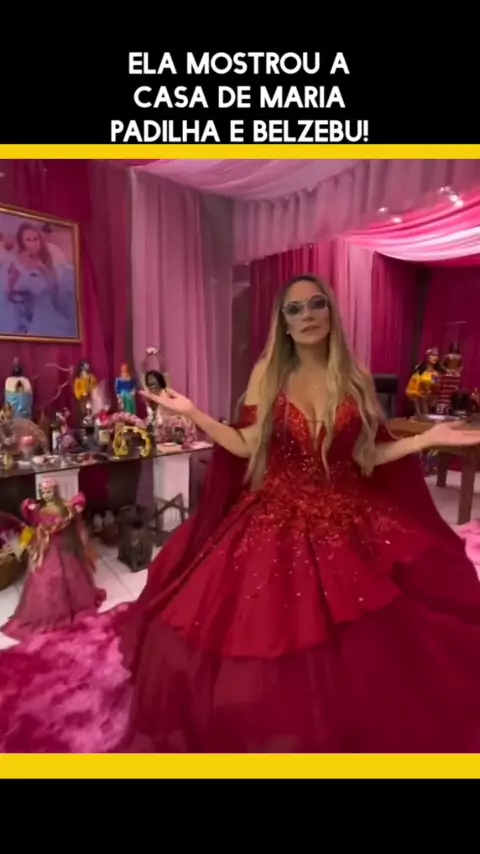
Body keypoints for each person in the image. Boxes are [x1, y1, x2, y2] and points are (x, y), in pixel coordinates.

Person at [119, 275, 480, 753]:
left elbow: (367, 456)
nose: (307, 315)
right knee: (244, 631)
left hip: (347, 512)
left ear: (330, 312)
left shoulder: (356, 379)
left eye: (316, 304)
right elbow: (246, 445)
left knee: (378, 638)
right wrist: (194, 414)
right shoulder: (267, 376)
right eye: (294, 309)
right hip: (274, 514)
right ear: (284, 324)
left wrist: (425, 439)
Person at [2, 478, 106, 640]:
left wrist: (69, 518)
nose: (46, 495)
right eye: (43, 492)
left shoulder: (65, 507)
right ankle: (48, 611)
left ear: (55, 491)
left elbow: (74, 525)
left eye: (49, 492)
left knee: (71, 574)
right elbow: (34, 525)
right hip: (47, 548)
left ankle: (71, 607)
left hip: (63, 547)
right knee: (45, 577)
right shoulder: (38, 509)